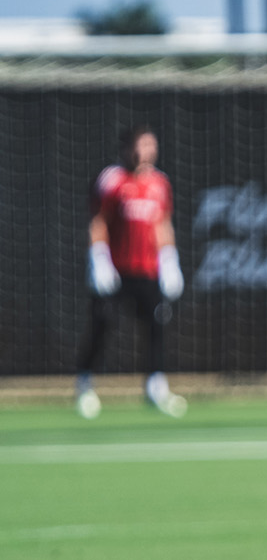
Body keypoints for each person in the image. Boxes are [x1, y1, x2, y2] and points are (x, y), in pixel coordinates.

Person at [75, 124, 187, 419]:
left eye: (150, 146)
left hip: (148, 270)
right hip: (115, 269)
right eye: (140, 145)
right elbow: (97, 221)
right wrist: (98, 258)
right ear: (127, 148)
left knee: (156, 325)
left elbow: (163, 223)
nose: (145, 152)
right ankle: (85, 384)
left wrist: (170, 259)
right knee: (103, 323)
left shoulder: (161, 183)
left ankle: (155, 386)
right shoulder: (112, 179)